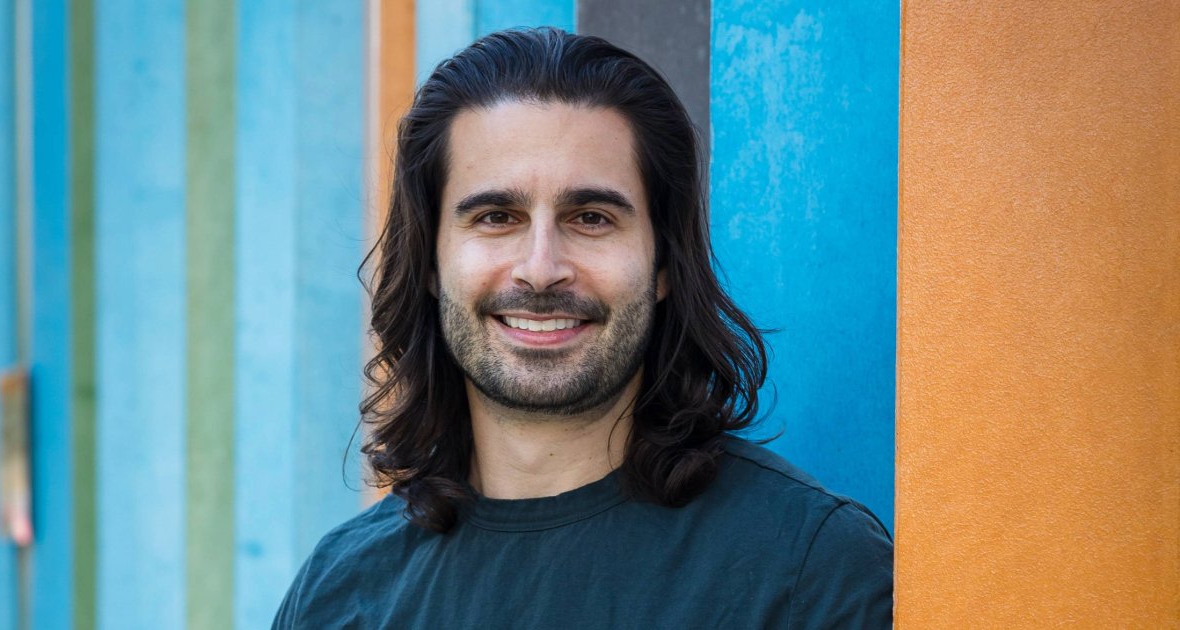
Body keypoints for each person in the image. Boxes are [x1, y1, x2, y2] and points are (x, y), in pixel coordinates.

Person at [273, 27, 892, 629]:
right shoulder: (337, 594)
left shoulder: (807, 573)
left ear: (664, 264)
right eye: (496, 216)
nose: (541, 269)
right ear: (431, 263)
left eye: (591, 217)